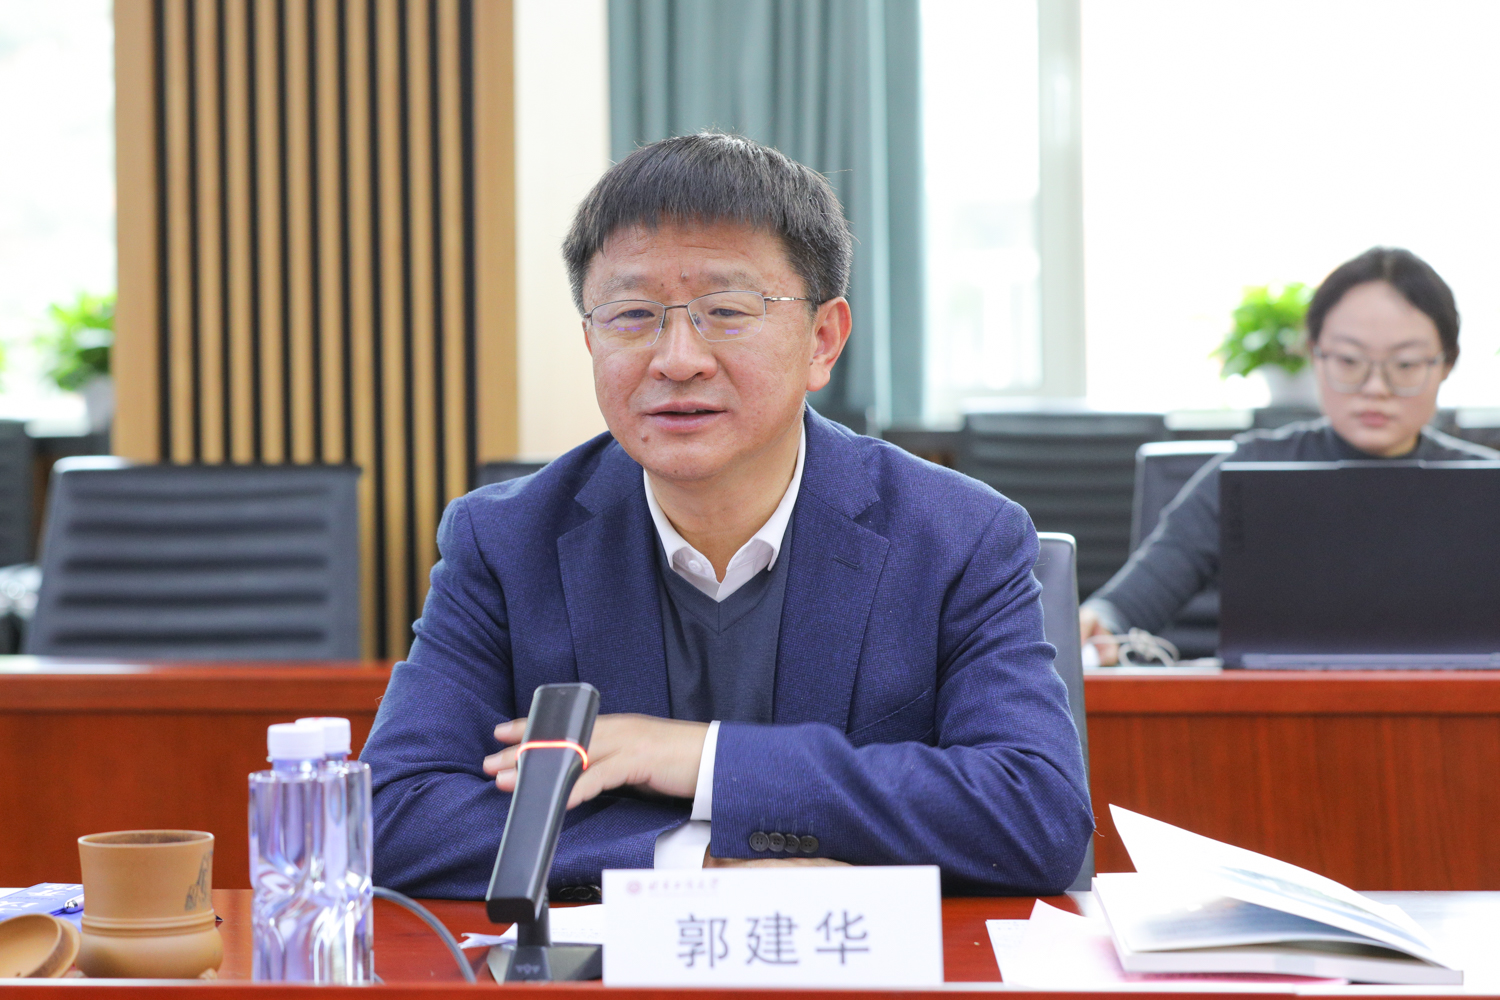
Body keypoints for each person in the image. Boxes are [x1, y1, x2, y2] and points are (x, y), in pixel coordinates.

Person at [361, 133, 1093, 899]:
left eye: (726, 311)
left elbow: (1034, 816)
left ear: (822, 340)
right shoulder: (506, 543)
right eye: (632, 314)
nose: (677, 358)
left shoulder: (957, 537)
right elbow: (393, 813)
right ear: (590, 340)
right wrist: (691, 862)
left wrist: (703, 759)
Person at [1081, 247, 1500, 663]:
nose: (1376, 387)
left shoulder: (1489, 486)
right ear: (1315, 354)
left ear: (1446, 364)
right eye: (1349, 360)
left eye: (1405, 364)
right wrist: (1097, 623)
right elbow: (1126, 604)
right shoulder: (1248, 471)